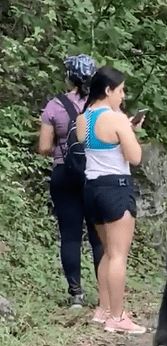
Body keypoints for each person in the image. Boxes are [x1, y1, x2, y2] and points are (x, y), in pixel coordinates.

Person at [76, 66, 146, 334]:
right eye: (120, 90)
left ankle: (104, 309)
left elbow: (100, 142)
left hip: (92, 187)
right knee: (118, 255)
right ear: (108, 90)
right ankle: (117, 317)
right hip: (116, 187)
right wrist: (129, 131)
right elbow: (135, 157)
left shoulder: (84, 118)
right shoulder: (115, 119)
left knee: (107, 251)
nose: (123, 96)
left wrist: (125, 127)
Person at [38, 54, 103, 308]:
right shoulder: (100, 105)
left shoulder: (54, 106)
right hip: (94, 172)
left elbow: (44, 147)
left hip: (64, 172)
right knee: (98, 236)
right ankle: (106, 294)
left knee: (70, 235)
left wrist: (61, 143)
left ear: (69, 77)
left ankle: (76, 294)